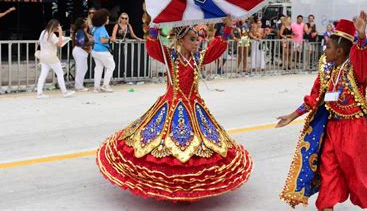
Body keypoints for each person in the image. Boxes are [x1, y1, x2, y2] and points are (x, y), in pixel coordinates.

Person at [96, 17, 253, 201]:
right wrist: (154, 25)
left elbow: (215, 49)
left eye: (198, 38)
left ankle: (189, 189)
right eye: (192, 39)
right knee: (159, 146)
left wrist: (227, 28)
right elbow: (153, 47)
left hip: (194, 107)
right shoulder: (171, 57)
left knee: (200, 148)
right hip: (170, 106)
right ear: (181, 41)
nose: (197, 43)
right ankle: (172, 189)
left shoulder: (197, 58)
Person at [276, 12, 367, 211]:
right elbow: (314, 98)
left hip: (354, 128)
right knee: (328, 168)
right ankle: (327, 206)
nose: (325, 49)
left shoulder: (356, 70)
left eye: (328, 46)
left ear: (339, 51)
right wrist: (292, 115)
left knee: (359, 170)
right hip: (332, 127)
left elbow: (365, 58)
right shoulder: (327, 71)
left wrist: (362, 36)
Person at [36, 19, 74, 99]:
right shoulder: (52, 35)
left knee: (43, 74)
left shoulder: (43, 32)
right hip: (51, 57)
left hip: (43, 56)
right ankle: (64, 92)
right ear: (56, 26)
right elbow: (59, 44)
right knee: (60, 73)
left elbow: (40, 42)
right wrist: (60, 32)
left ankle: (39, 93)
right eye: (59, 26)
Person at [91, 9, 116, 93]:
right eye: (107, 18)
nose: (108, 20)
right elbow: (102, 40)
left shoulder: (95, 28)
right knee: (111, 66)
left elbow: (94, 37)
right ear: (103, 19)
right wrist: (110, 40)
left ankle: (96, 87)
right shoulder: (102, 28)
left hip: (95, 50)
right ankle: (105, 85)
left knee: (98, 68)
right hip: (103, 51)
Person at [72, 17, 93, 91]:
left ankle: (79, 85)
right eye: (84, 22)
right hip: (79, 51)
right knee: (81, 68)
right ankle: (78, 86)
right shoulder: (80, 31)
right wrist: (91, 42)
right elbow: (81, 43)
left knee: (83, 68)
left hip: (80, 51)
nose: (86, 23)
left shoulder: (81, 31)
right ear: (81, 24)